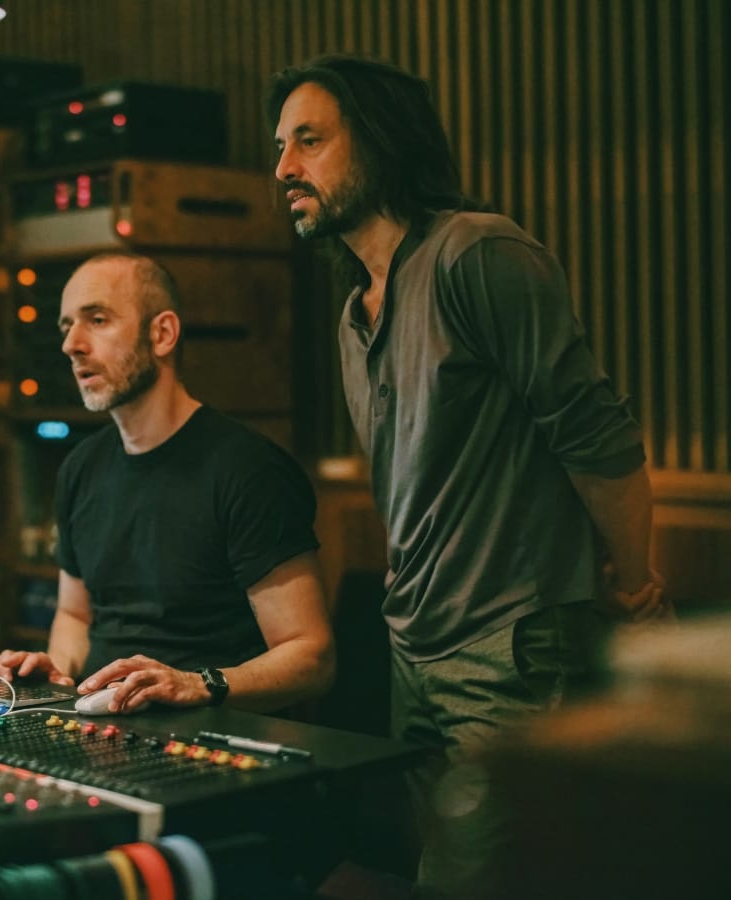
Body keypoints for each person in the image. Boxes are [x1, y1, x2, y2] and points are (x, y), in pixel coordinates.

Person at [268, 54, 670, 898]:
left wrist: (635, 586)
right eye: (280, 147)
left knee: (506, 877)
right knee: (438, 874)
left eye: (309, 140)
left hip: (509, 643)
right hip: (412, 645)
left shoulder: (475, 252)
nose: (284, 169)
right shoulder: (354, 313)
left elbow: (596, 434)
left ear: (377, 142)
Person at [0, 251, 335, 714]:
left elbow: (311, 656)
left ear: (162, 334)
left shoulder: (248, 469)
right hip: (102, 730)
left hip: (214, 739)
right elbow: (75, 615)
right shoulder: (79, 468)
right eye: (66, 326)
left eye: (96, 320)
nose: (72, 343)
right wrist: (54, 669)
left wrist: (198, 683)